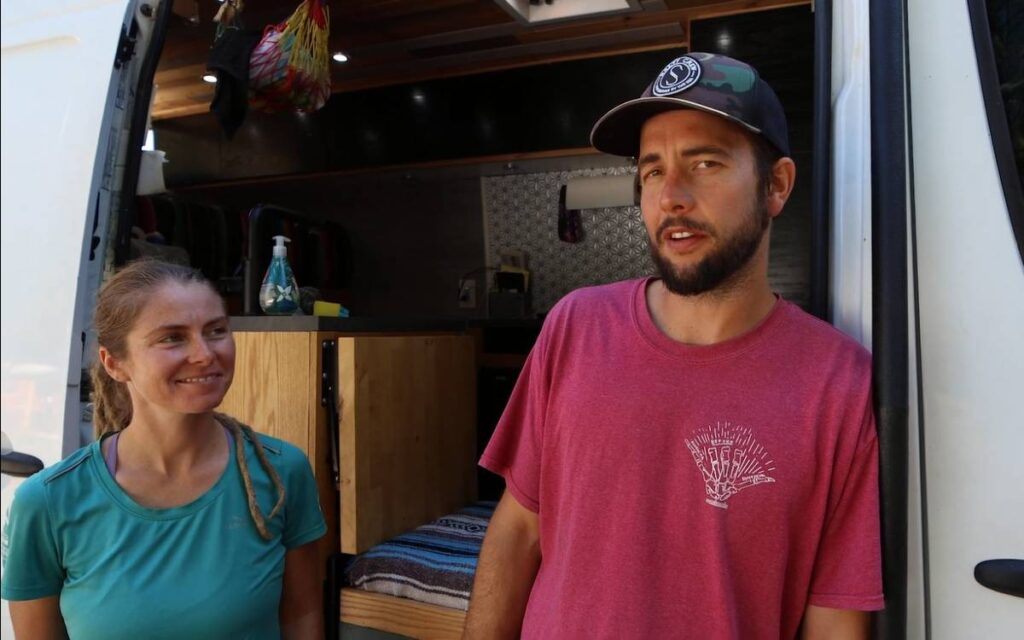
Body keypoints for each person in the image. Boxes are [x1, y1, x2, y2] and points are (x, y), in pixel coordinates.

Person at [463, 52, 884, 639]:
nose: (671, 196)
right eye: (653, 170)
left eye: (705, 162)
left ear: (777, 186)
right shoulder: (575, 326)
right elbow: (517, 529)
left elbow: (836, 617)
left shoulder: (838, 383)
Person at [1, 260, 327, 639]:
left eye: (216, 331)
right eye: (173, 338)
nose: (204, 354)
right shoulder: (47, 502)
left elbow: (302, 620)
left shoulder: (281, 473)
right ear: (114, 363)